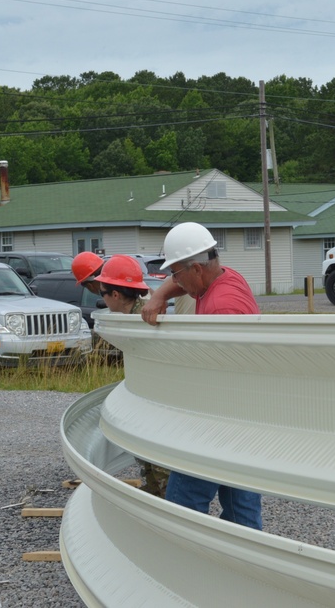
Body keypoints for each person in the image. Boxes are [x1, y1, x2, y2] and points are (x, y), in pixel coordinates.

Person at [140, 222, 263, 530]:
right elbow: (181, 283)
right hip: (243, 420)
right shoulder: (222, 278)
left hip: (216, 422)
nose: (174, 280)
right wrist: (159, 296)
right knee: (241, 509)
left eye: (176, 273)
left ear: (195, 269)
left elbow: (220, 374)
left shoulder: (223, 310)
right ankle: (244, 565)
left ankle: (183, 561)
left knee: (184, 506)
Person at [95, 254, 172, 499]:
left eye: (102, 293)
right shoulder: (135, 315)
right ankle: (152, 496)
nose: (102, 300)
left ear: (115, 295)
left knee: (159, 460)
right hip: (146, 397)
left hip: (158, 402)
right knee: (145, 453)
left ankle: (166, 506)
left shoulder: (146, 319)